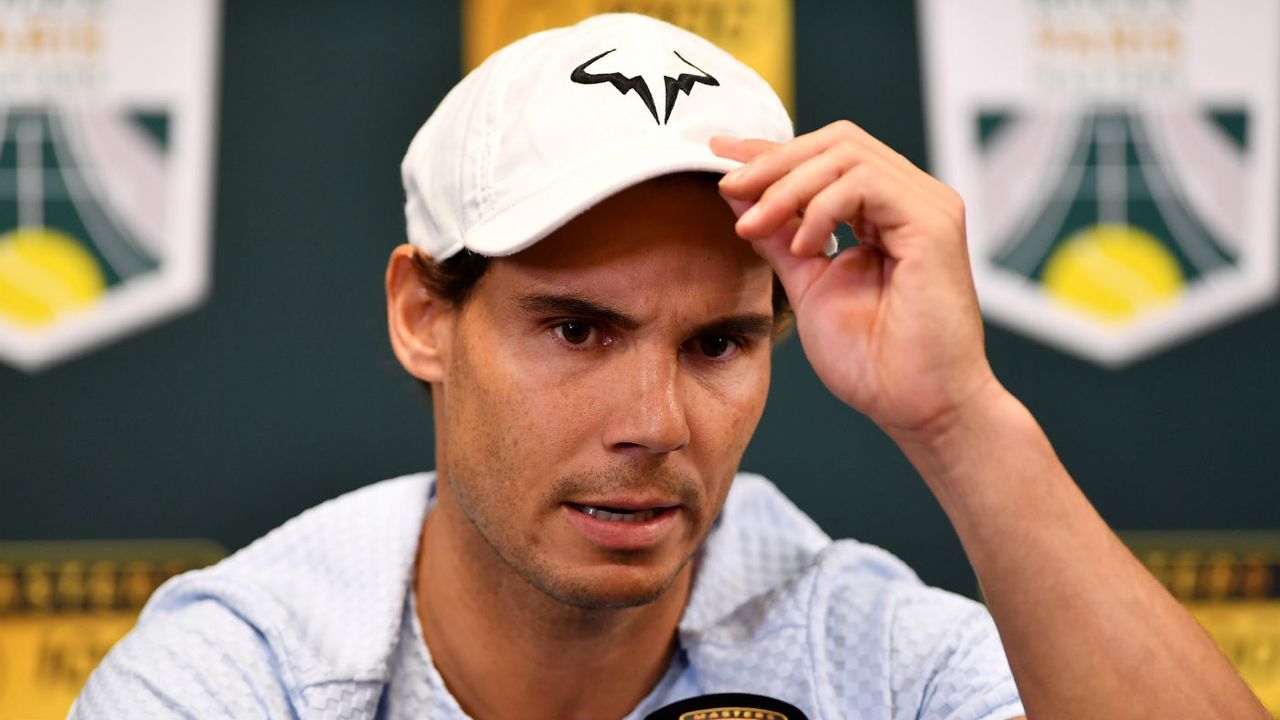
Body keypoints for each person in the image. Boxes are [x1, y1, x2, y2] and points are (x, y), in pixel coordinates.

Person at [71, 13, 1264, 720]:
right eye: (576, 330)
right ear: (423, 316)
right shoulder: (249, 675)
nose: (653, 423)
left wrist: (958, 417)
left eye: (716, 344)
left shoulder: (862, 655)